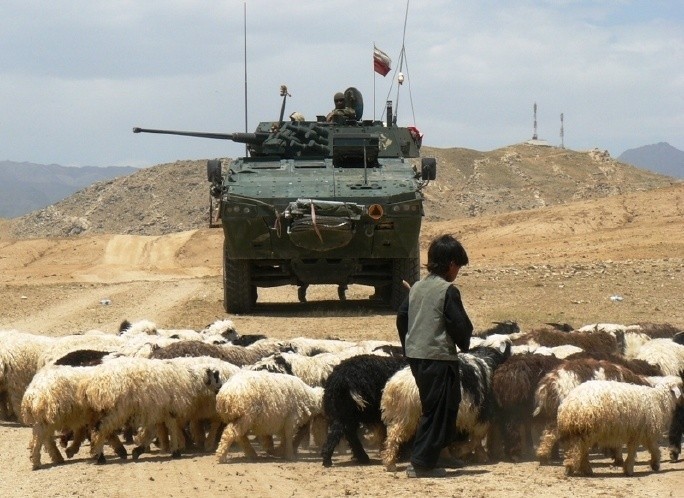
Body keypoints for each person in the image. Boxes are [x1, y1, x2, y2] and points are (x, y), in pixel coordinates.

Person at [396, 234, 473, 478]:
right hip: (438, 358)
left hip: (418, 356)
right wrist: (465, 342)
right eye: (458, 266)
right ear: (451, 264)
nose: (457, 271)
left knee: (441, 406)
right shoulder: (447, 291)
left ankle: (435, 455)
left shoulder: (417, 287)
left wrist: (409, 345)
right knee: (439, 410)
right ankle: (421, 464)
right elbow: (459, 324)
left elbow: (401, 318)